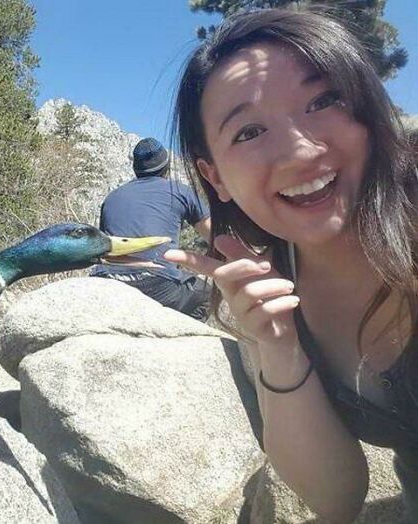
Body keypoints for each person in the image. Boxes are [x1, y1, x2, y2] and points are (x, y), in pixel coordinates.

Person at [164, 7, 418, 523]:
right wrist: (278, 347)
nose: (299, 151)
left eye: (323, 100)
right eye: (249, 133)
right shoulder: (275, 287)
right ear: (215, 179)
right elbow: (336, 498)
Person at [90, 137, 212, 321]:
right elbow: (215, 237)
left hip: (107, 281)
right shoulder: (181, 192)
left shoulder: (111, 198)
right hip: (158, 283)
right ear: (167, 167)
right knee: (207, 295)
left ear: (135, 169)